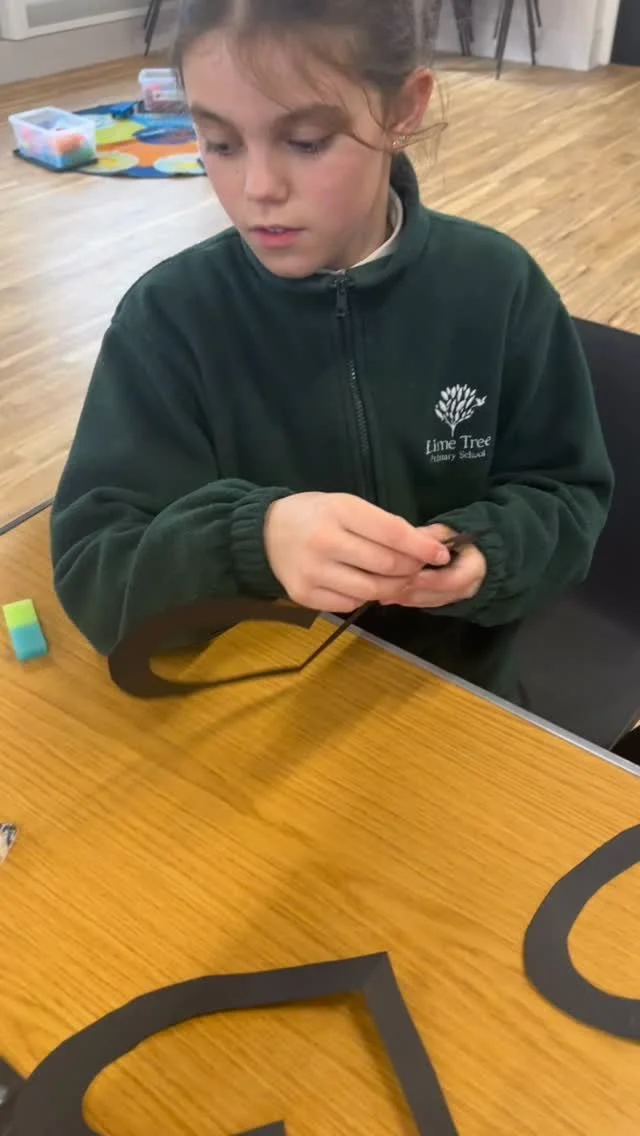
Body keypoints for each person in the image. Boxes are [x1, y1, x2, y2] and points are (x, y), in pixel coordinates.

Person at [50, 0, 614, 701]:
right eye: (221, 143)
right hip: (251, 708)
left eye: (307, 141)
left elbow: (567, 497)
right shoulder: (167, 319)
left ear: (403, 109)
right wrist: (253, 540)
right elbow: (97, 570)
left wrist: (488, 551)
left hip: (456, 701)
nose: (258, 188)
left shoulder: (499, 287)